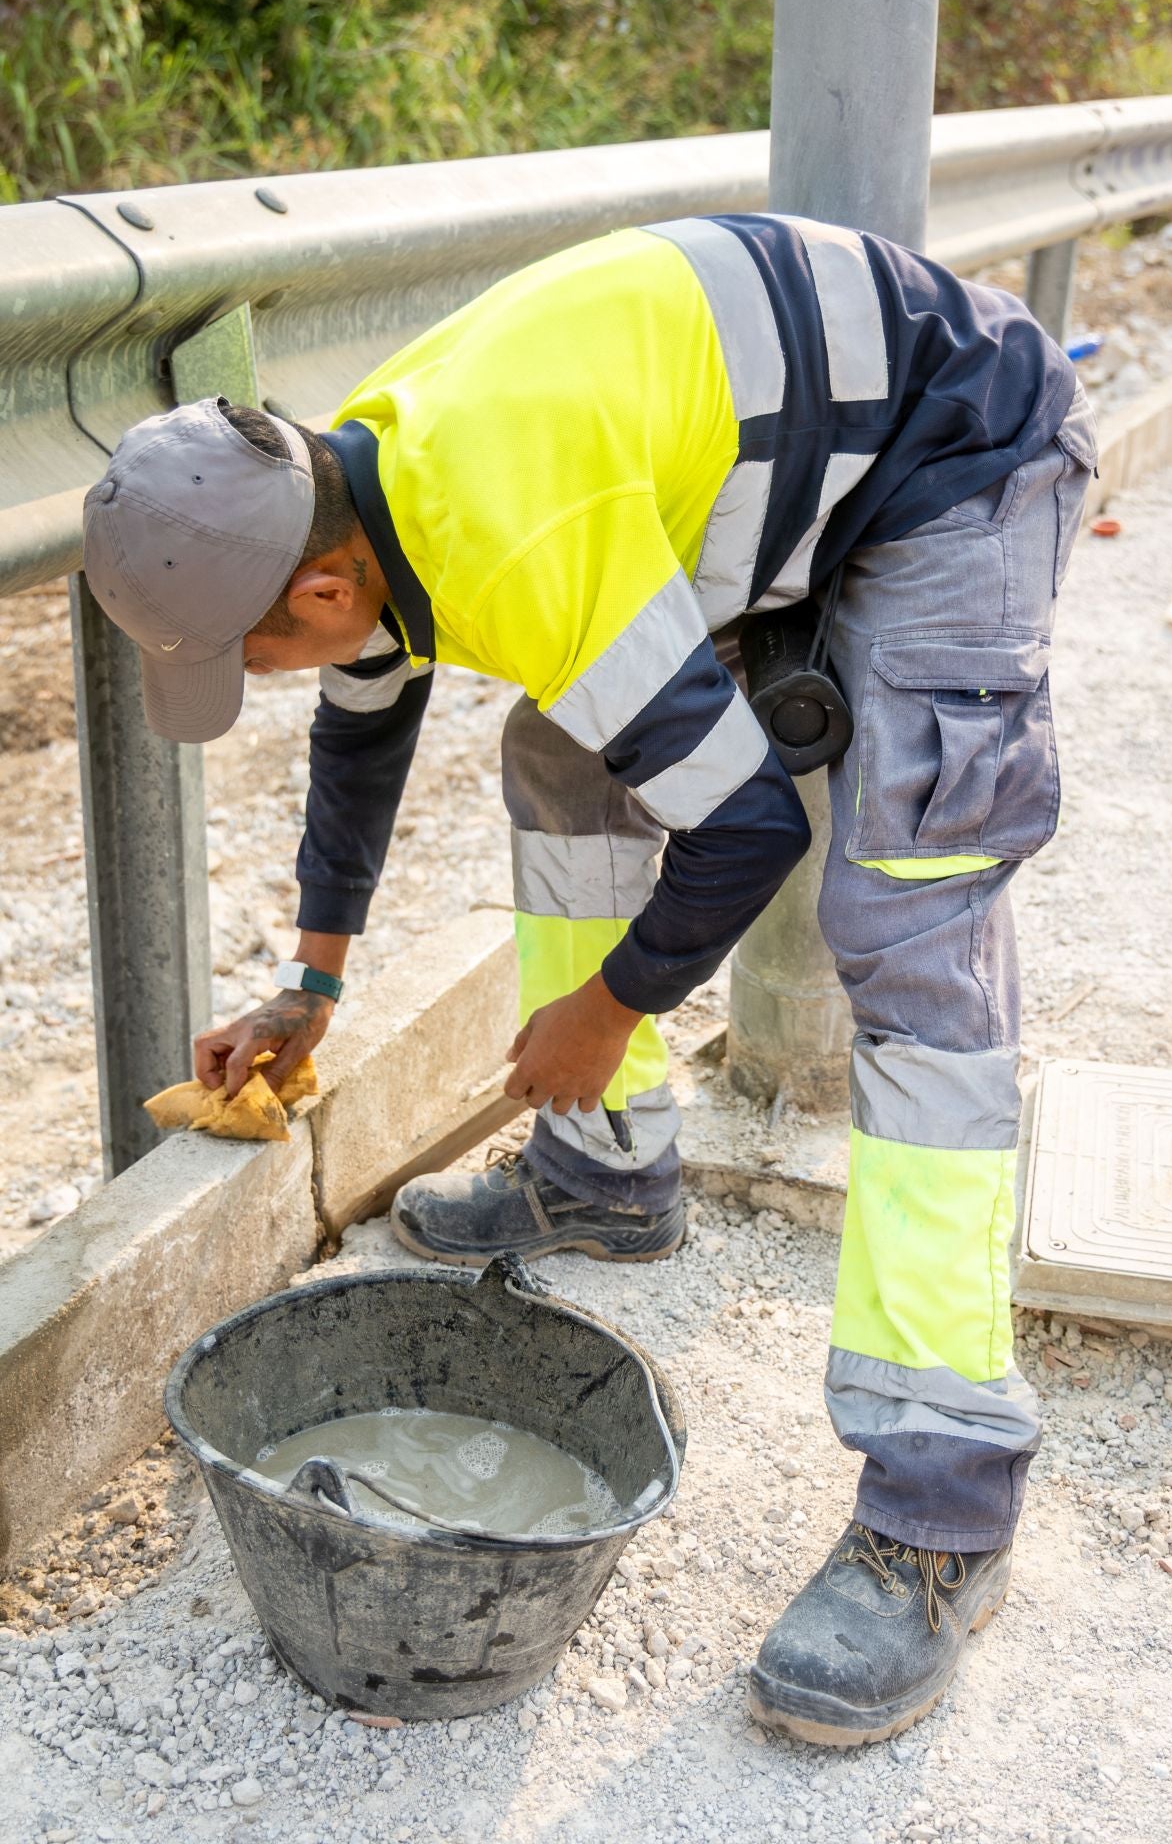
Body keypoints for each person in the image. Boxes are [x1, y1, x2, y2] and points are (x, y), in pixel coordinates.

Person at [82, 212, 1096, 1746]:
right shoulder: (343, 488)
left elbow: (747, 823)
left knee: (909, 928)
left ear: (323, 589)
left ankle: (941, 1509)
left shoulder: (507, 529)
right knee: (563, 745)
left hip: (956, 453)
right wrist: (311, 983)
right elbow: (363, 732)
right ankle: (609, 1176)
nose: (274, 681)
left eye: (256, 659)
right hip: (783, 464)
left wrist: (605, 1006)